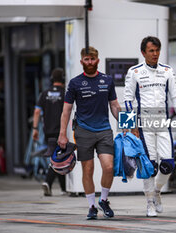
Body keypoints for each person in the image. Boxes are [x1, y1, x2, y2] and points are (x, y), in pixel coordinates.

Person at [124, 36, 176, 217]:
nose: (155, 54)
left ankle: (157, 192)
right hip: (144, 124)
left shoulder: (167, 71)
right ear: (143, 53)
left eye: (157, 50)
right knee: (149, 165)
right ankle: (150, 202)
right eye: (151, 51)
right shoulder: (134, 72)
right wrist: (131, 124)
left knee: (168, 164)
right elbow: (128, 99)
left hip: (163, 123)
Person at [58, 46, 121, 220]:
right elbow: (66, 111)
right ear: (81, 62)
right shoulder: (75, 83)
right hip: (83, 131)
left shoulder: (107, 80)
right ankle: (92, 206)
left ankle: (104, 200)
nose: (90, 62)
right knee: (88, 169)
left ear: (98, 60)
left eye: (92, 59)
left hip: (104, 130)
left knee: (109, 167)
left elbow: (115, 106)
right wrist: (62, 134)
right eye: (86, 59)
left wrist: (128, 126)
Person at [32, 68, 66, 196]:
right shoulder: (65, 94)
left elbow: (36, 112)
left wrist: (35, 129)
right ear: (63, 79)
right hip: (62, 131)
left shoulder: (44, 93)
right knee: (58, 158)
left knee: (58, 156)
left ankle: (63, 188)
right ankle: (48, 181)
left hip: (48, 132)